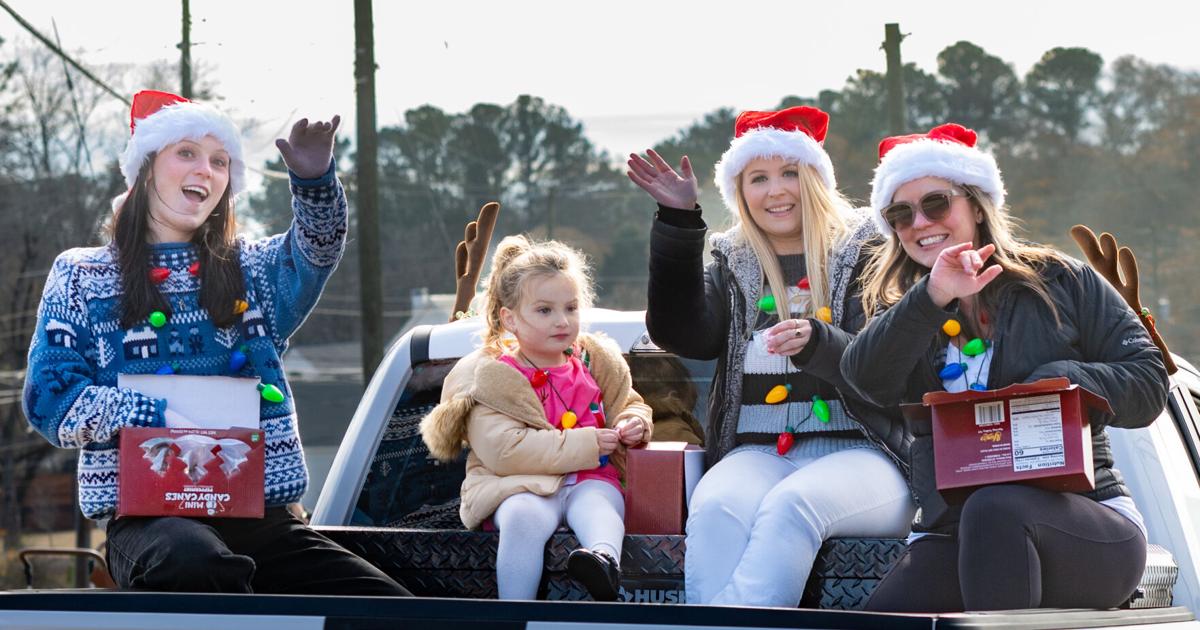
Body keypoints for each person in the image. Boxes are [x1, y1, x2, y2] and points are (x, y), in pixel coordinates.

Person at [22, 90, 409, 596]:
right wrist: (148, 413)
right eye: (186, 153)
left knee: (386, 604)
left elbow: (315, 250)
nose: (205, 169)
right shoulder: (81, 274)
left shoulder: (253, 270)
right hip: (148, 521)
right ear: (144, 168)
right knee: (194, 561)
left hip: (262, 518)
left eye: (219, 160)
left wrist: (314, 182)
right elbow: (48, 397)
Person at [841, 123, 1169, 611]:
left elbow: (1148, 381)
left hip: (1087, 522)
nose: (920, 222)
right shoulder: (907, 311)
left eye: (935, 203)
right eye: (899, 213)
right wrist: (933, 296)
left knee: (995, 509)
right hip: (953, 532)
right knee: (877, 621)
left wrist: (1061, 381)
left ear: (975, 204)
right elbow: (863, 381)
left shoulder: (1060, 280)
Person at [628, 106, 913, 607]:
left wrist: (819, 344)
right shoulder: (732, 262)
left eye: (790, 173)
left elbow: (888, 368)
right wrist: (677, 221)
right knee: (714, 507)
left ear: (817, 180)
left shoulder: (874, 253)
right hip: (759, 452)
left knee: (791, 507)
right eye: (758, 178)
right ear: (740, 192)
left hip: (869, 453)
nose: (775, 190)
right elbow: (682, 333)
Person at [420, 235, 653, 601]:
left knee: (602, 505)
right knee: (521, 517)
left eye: (571, 308)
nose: (562, 321)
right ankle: (515, 610)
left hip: (590, 477)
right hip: (520, 484)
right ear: (510, 319)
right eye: (545, 311)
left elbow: (630, 403)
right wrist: (590, 442)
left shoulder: (595, 363)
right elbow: (505, 451)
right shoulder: (492, 376)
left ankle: (603, 561)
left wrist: (634, 421)